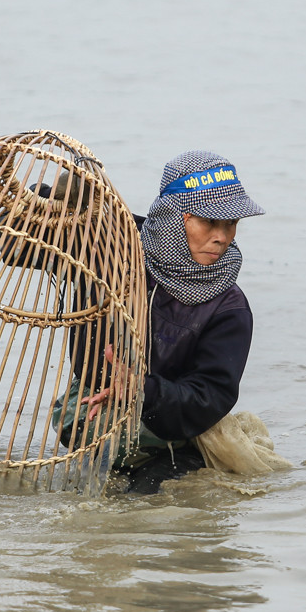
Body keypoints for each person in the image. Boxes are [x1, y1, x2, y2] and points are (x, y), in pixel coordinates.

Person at [81, 150, 266, 492]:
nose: (222, 237)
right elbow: (18, 248)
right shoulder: (115, 247)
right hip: (94, 411)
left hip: (177, 436)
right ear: (171, 217)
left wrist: (140, 389)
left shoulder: (229, 307)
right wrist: (49, 197)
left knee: (148, 498)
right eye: (208, 222)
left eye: (231, 224)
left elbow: (210, 397)